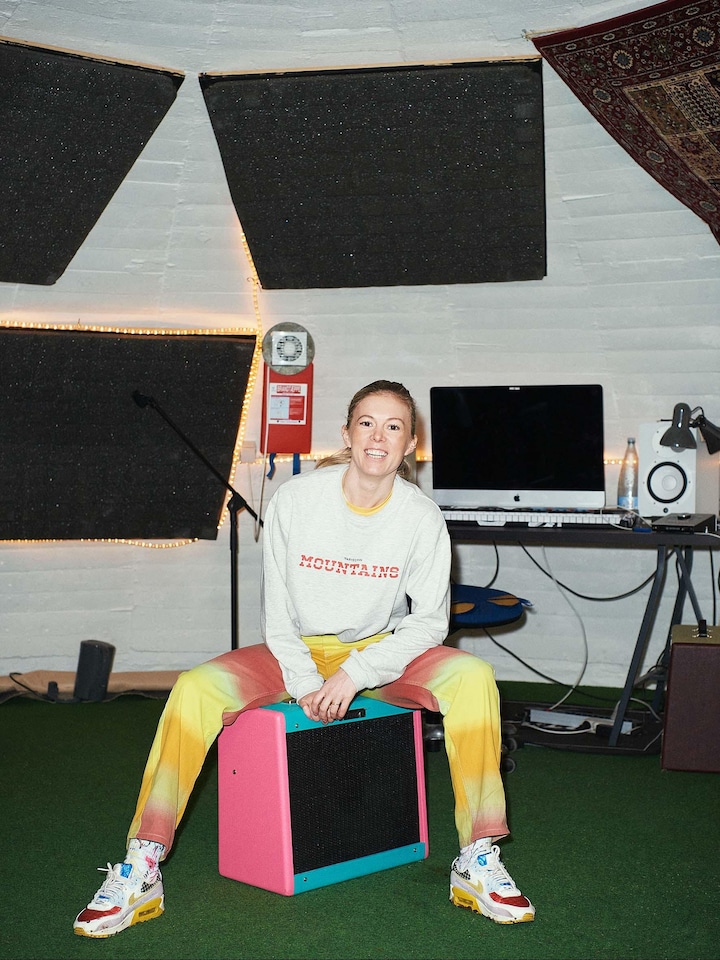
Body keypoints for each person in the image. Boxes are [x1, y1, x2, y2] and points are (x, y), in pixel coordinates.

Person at [74, 379, 534, 939]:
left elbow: (429, 623)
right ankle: (143, 861)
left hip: (380, 651)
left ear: (410, 443)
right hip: (295, 648)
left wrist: (354, 674)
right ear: (347, 432)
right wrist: (304, 679)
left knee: (474, 677)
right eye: (367, 423)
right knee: (194, 688)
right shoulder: (295, 500)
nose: (378, 437)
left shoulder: (421, 517)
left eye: (393, 426)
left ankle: (477, 856)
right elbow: (278, 614)